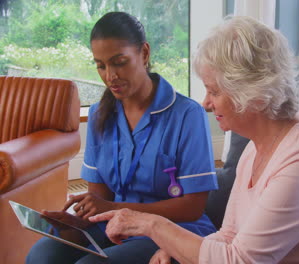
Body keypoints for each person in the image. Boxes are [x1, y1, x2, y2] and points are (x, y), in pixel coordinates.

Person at [90, 16, 299, 263]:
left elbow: (239, 260)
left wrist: (153, 226)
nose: (205, 103)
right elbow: (230, 236)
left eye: (214, 92)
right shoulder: (257, 147)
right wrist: (174, 248)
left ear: (251, 92)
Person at [26, 11, 218, 264]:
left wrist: (116, 209)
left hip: (170, 229)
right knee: (41, 256)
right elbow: (101, 197)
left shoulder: (187, 115)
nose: (110, 76)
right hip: (114, 226)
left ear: (145, 54)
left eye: (119, 62)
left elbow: (192, 208)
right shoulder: (98, 115)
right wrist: (79, 221)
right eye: (101, 65)